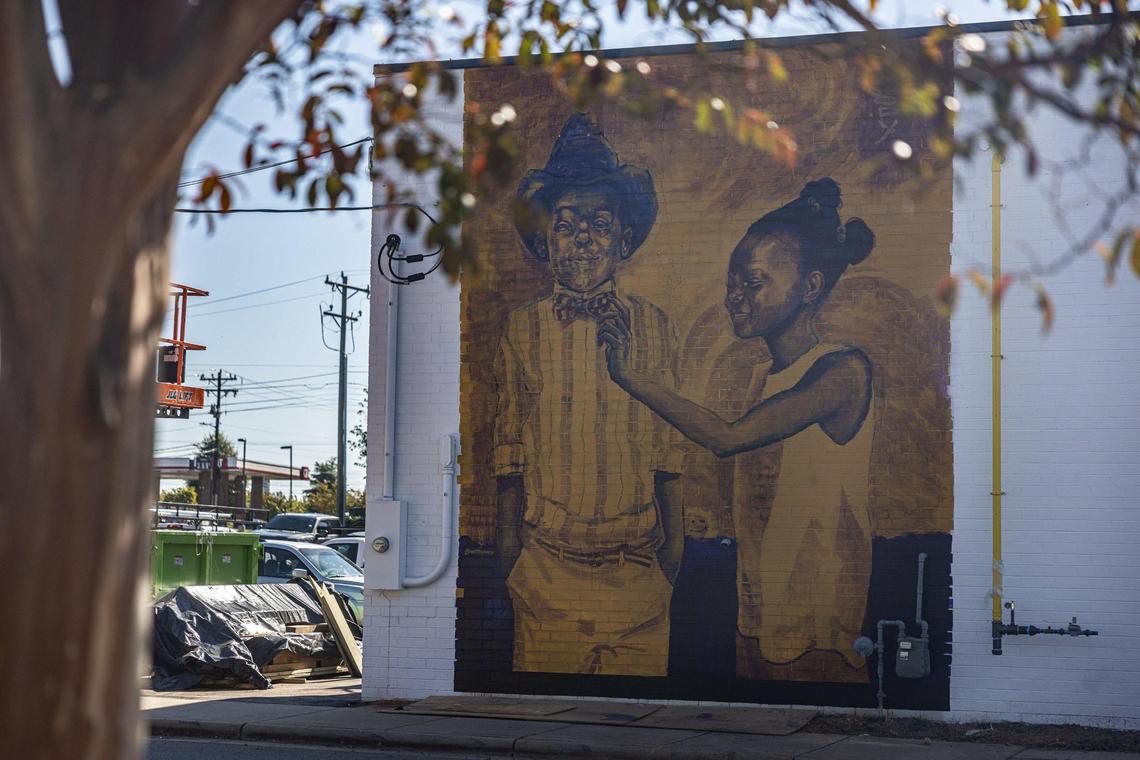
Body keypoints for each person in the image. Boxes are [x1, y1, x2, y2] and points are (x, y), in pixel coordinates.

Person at [598, 178, 877, 673]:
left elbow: (727, 438)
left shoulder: (842, 371)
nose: (735, 297)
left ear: (810, 286)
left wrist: (629, 376)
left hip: (818, 618)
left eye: (754, 283)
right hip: (760, 603)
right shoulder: (764, 376)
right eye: (732, 283)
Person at [493, 112, 684, 677]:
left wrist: (669, 564)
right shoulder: (521, 330)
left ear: (623, 240)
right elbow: (510, 456)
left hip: (638, 573)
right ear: (544, 240)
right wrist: (513, 564)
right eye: (566, 223)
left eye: (600, 224)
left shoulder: (655, 328)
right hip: (547, 570)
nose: (582, 237)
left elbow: (669, 456)